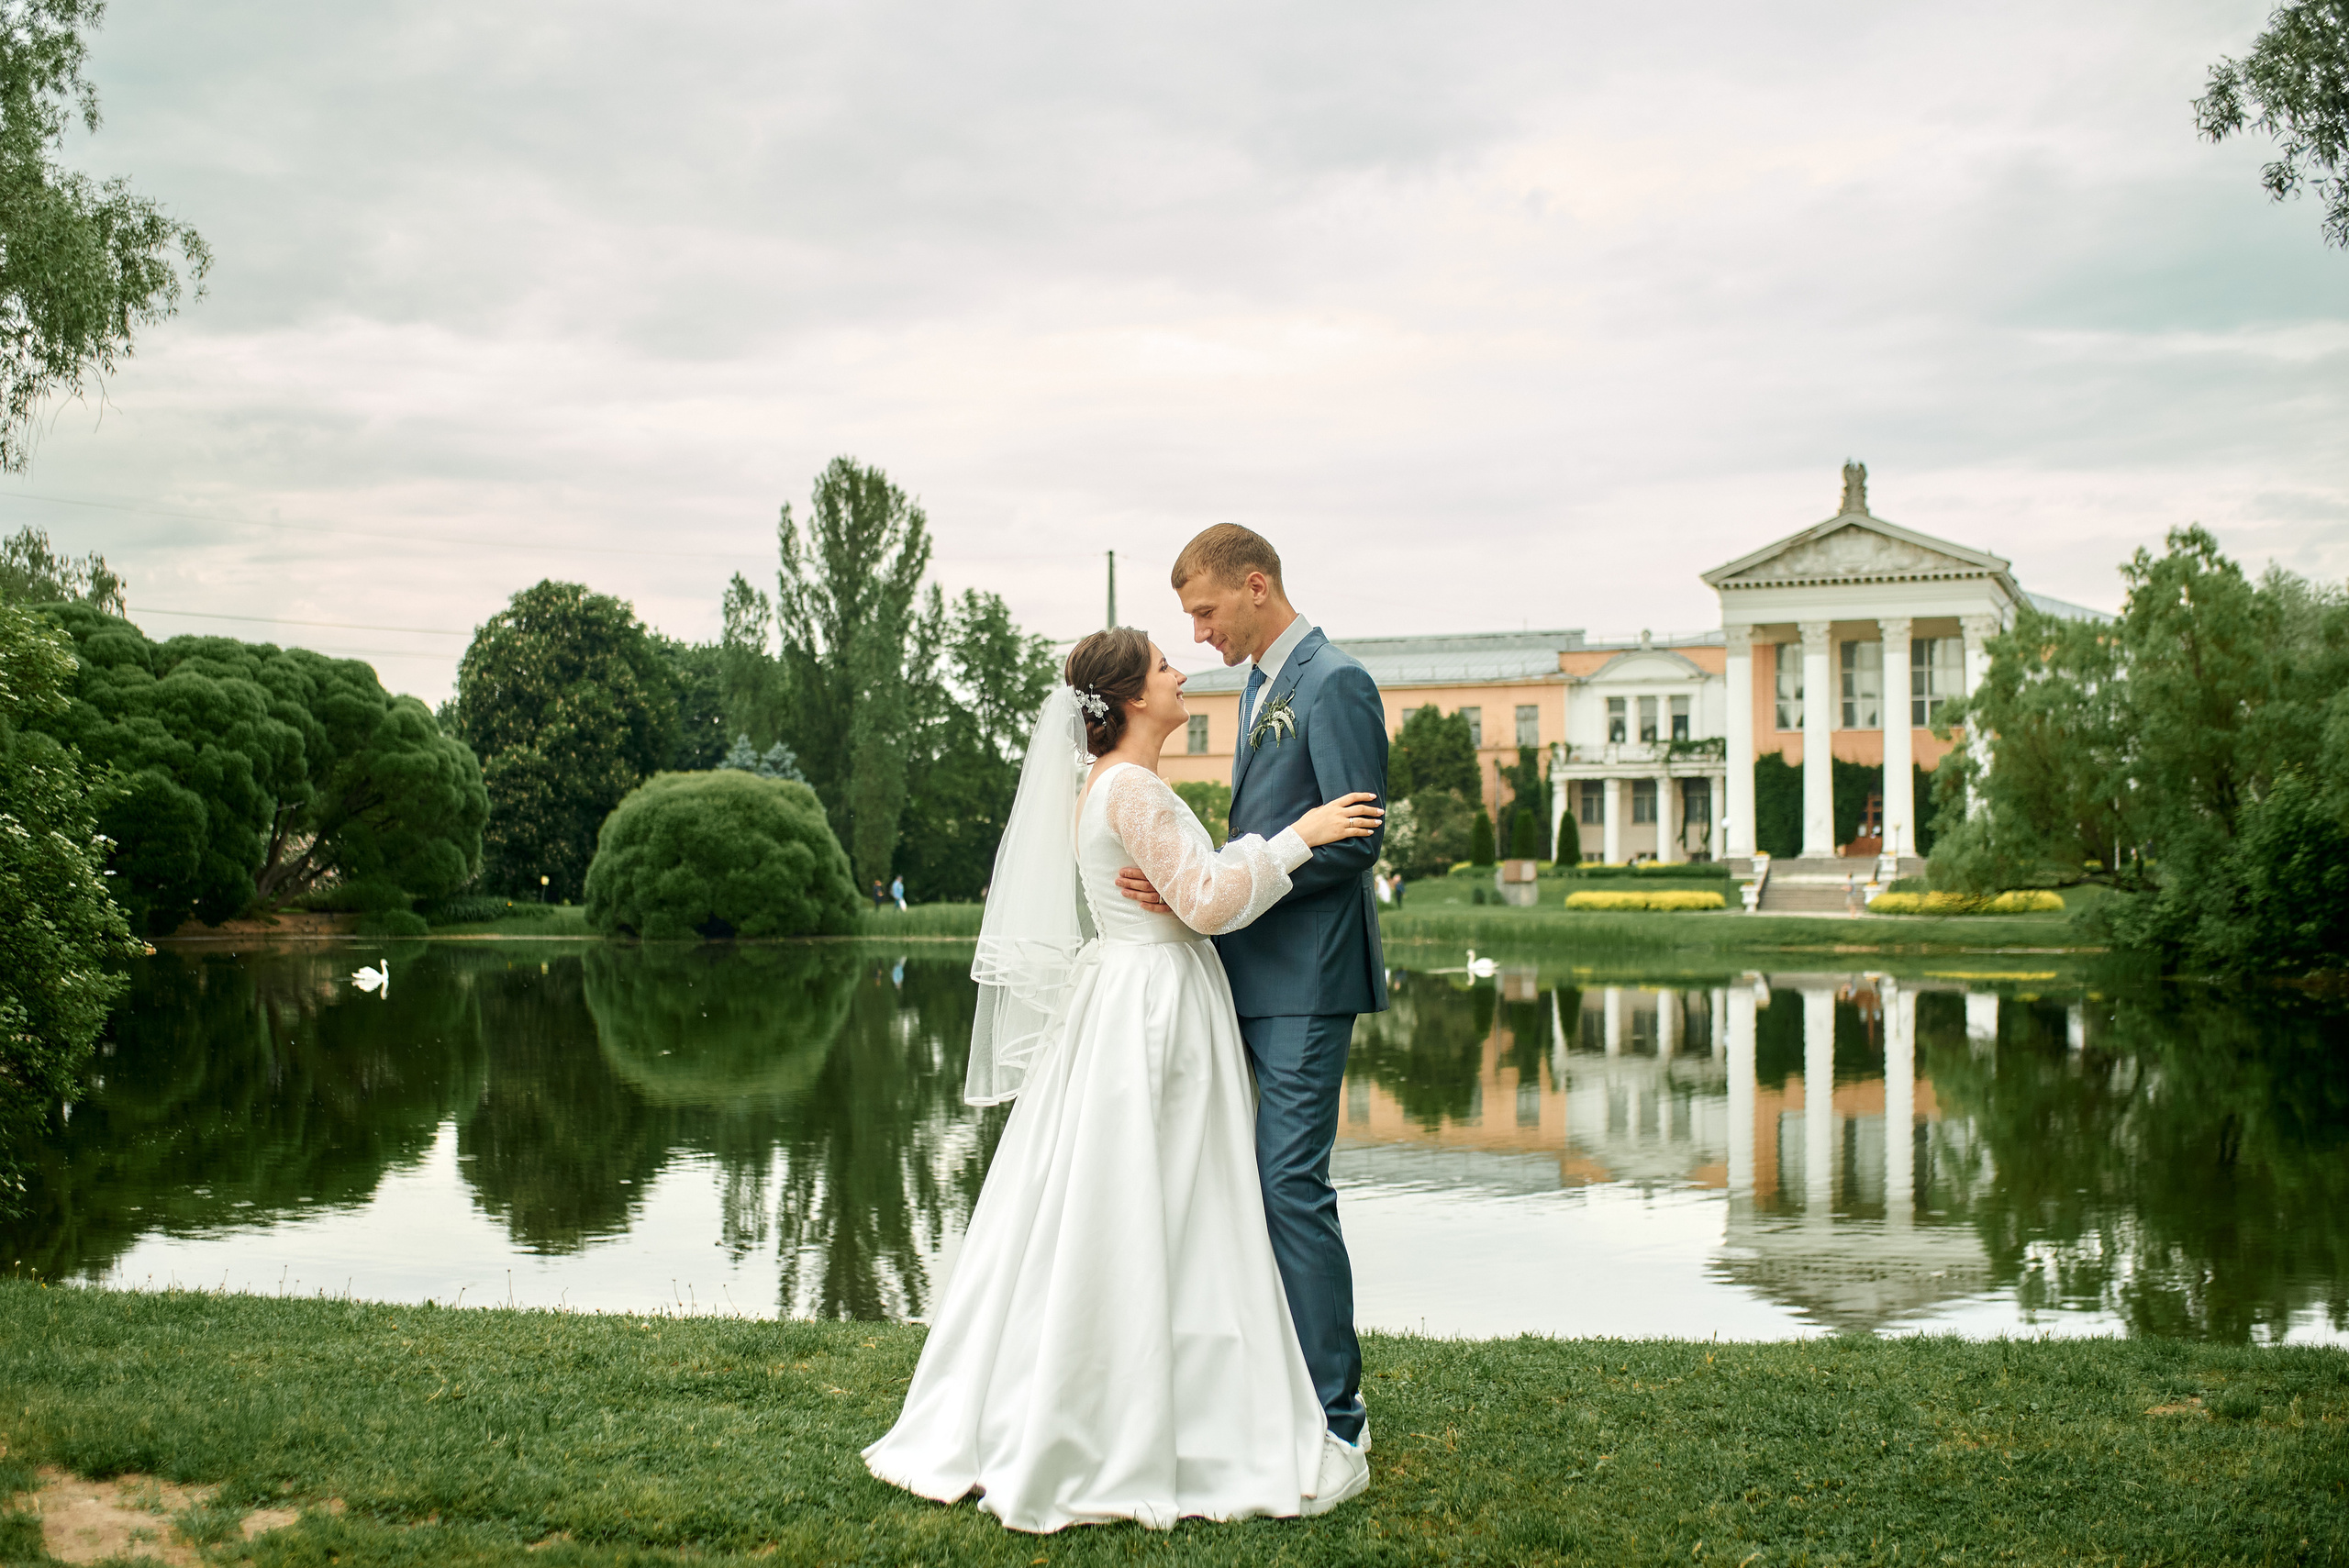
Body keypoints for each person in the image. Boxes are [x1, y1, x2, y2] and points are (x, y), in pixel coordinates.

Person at [862, 626, 1384, 1533]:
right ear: (1135, 697)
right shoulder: (1131, 787)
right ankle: (1152, 1412)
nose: (1183, 671)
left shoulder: (1113, 784)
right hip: (1153, 1007)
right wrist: (1300, 834)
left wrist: (1201, 880)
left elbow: (1193, 890)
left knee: (1145, 1198)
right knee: (1163, 1193)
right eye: (1164, 665)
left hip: (1135, 991)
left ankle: (1150, 1389)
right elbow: (1209, 901)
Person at [1116, 523, 1388, 1463]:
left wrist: (1228, 880)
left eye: (1205, 611)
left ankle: (1337, 1413)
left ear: (1256, 585)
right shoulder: (1259, 687)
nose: (1198, 634)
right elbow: (1276, 825)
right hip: (1246, 971)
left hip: (1309, 976)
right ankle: (1258, 1385)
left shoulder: (1336, 680)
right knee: (1233, 1179)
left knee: (1288, 1183)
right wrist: (1202, 887)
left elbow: (1355, 837)